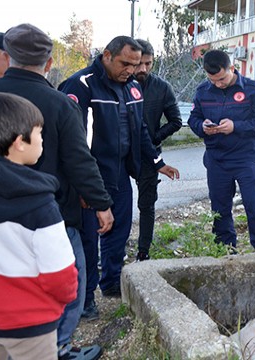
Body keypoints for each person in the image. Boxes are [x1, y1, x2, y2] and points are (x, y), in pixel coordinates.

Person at [0, 23, 112, 360]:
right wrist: (100, 203)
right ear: (49, 63)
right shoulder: (58, 103)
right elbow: (79, 160)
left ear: (7, 58)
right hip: (50, 210)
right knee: (70, 275)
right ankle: (59, 346)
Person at [59, 36, 179, 320]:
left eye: (135, 64)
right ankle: (84, 300)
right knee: (88, 239)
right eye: (125, 63)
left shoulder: (133, 88)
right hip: (90, 177)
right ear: (107, 55)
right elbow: (73, 141)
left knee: (118, 231)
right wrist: (81, 186)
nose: (131, 69)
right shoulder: (82, 85)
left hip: (120, 174)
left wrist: (156, 161)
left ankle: (111, 282)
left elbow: (140, 131)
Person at [0, 92, 78, 360]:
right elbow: (60, 274)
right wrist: (63, 299)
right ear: (19, 143)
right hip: (29, 322)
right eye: (39, 133)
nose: (43, 139)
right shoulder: (39, 203)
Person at [188, 49, 255, 250]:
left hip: (247, 158)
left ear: (232, 68)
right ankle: (226, 249)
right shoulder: (202, 91)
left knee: (254, 203)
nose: (218, 84)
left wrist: (236, 126)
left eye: (222, 79)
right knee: (220, 208)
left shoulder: (254, 90)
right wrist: (202, 127)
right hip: (217, 159)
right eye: (213, 80)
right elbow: (193, 119)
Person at [133, 39, 182, 262]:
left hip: (150, 155)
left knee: (146, 204)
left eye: (148, 64)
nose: (143, 69)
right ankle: (110, 251)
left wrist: (153, 139)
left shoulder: (162, 88)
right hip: (119, 154)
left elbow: (176, 121)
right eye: (139, 64)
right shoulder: (119, 84)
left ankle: (143, 251)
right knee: (114, 203)